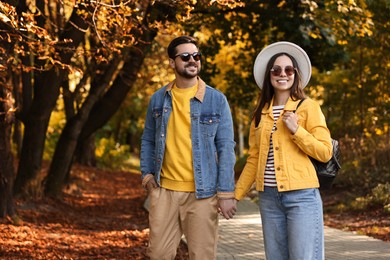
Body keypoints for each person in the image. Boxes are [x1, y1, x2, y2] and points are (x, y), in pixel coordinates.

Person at [140, 35, 237, 260]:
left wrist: (226, 193)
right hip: (164, 191)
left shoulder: (216, 100)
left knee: (202, 256)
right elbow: (148, 140)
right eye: (185, 56)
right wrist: (146, 175)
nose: (192, 60)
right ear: (172, 63)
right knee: (158, 254)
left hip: (202, 194)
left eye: (196, 56)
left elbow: (225, 147)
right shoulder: (158, 99)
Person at [234, 41, 333, 260]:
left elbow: (325, 152)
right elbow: (254, 160)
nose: (283, 74)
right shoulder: (260, 114)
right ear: (269, 75)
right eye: (276, 70)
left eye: (289, 70)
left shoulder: (308, 107)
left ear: (296, 75)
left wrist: (297, 130)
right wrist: (236, 196)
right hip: (268, 199)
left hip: (302, 197)